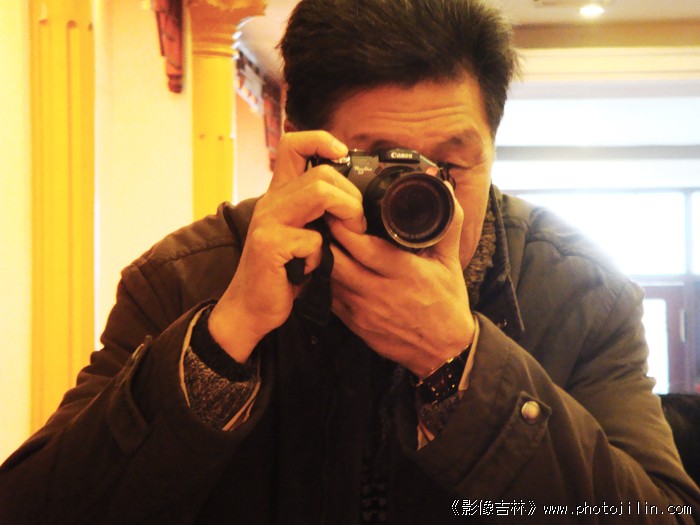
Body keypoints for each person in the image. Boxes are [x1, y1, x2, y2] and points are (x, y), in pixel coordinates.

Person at [1, 0, 699, 523]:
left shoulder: (579, 292)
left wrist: (462, 366)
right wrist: (221, 341)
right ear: (297, 144)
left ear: (492, 143)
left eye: (452, 165)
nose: (420, 195)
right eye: (382, 163)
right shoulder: (185, 278)